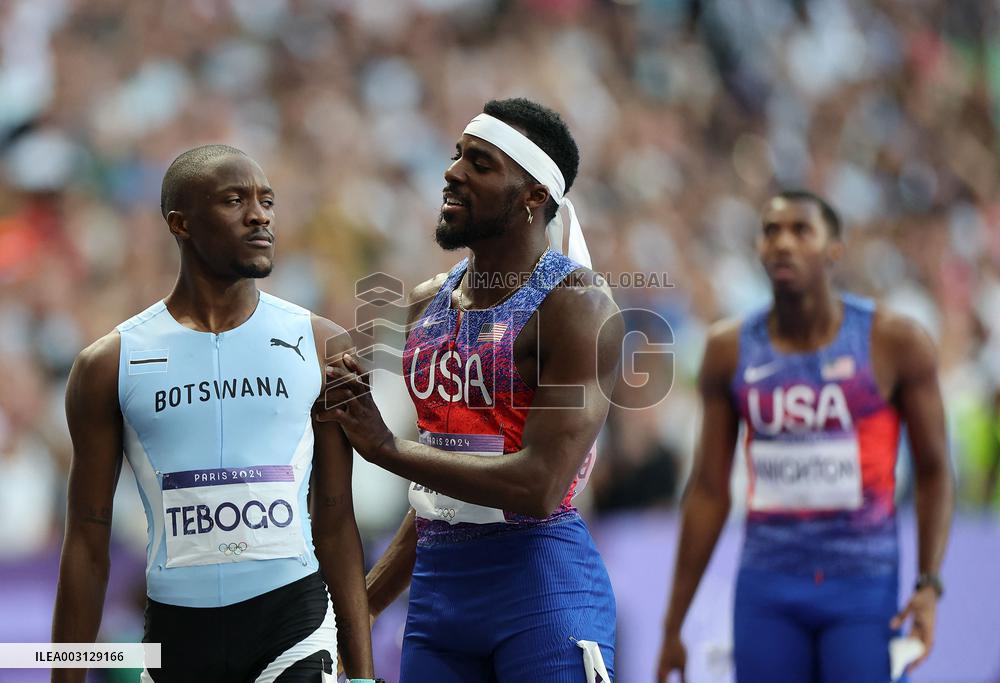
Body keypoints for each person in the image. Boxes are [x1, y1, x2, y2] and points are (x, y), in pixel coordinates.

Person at [318, 98, 624, 682]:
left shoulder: (577, 309)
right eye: (458, 155)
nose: (452, 171)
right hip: (439, 598)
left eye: (480, 163)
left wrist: (386, 449)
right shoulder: (428, 302)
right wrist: (365, 604)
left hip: (541, 591)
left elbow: (537, 487)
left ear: (535, 195)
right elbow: (442, 492)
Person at [52, 145, 378, 683]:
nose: (260, 215)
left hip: (292, 626)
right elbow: (86, 541)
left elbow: (338, 519)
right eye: (235, 200)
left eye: (267, 201)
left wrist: (363, 676)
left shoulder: (321, 344)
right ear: (180, 223)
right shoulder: (109, 363)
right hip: (177, 639)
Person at [656, 191, 954, 683]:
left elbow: (936, 471)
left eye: (801, 231)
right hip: (768, 587)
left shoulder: (894, 343)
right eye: (771, 231)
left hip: (861, 584)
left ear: (834, 249)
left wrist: (928, 584)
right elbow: (708, 490)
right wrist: (673, 625)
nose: (783, 244)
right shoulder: (729, 351)